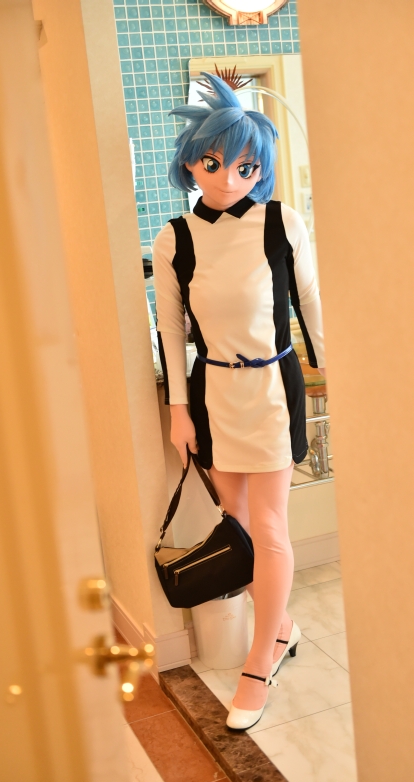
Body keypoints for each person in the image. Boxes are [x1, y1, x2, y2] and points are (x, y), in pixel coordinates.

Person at [153, 72, 326, 730]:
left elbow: (311, 304)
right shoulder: (176, 238)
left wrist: (339, 371)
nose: (228, 178)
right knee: (241, 527)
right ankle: (280, 629)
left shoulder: (281, 222)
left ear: (261, 168)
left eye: (246, 166)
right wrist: (178, 410)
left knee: (271, 526)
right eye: (213, 162)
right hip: (212, 391)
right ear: (190, 163)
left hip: (273, 387)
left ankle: (259, 662)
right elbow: (170, 329)